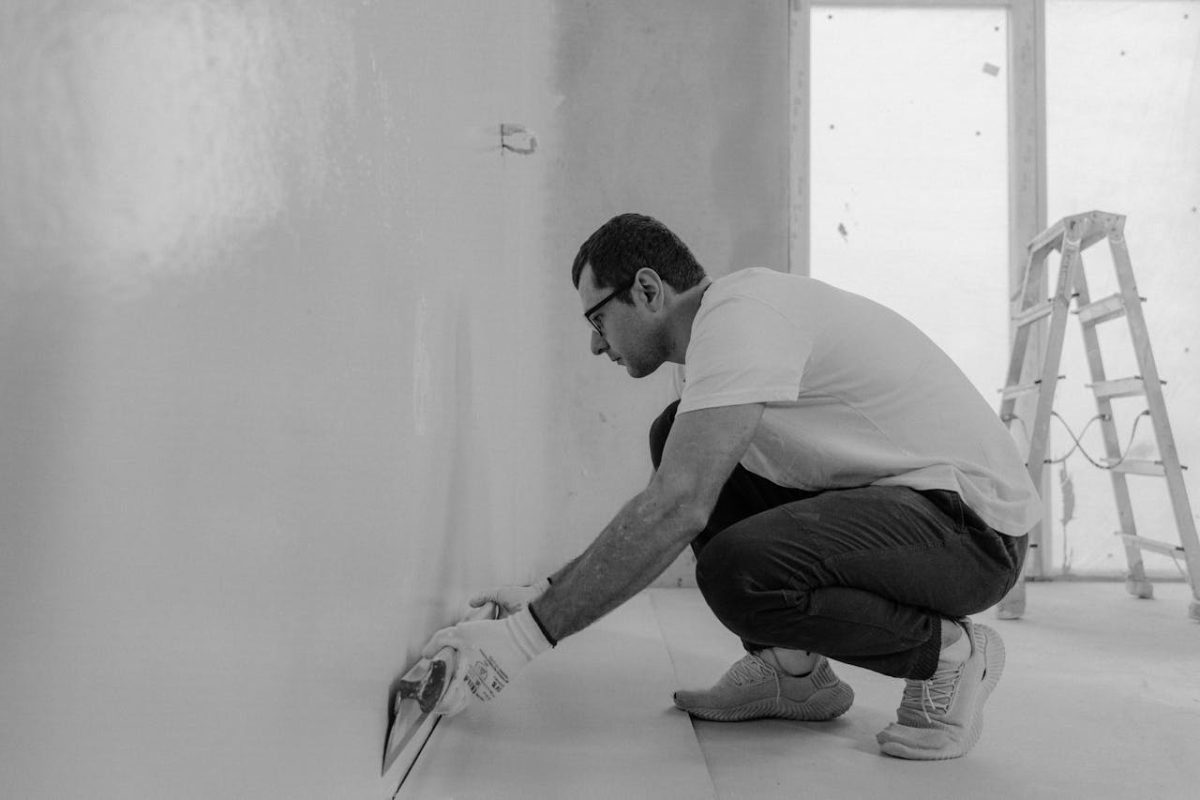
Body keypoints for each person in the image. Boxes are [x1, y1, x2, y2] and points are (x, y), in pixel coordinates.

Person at [420, 212, 1039, 760]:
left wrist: (519, 641)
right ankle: (791, 672)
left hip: (974, 532)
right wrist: (544, 592)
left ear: (646, 289)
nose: (592, 343)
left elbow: (678, 508)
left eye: (597, 317)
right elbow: (679, 491)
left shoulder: (744, 319)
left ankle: (953, 654)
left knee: (738, 570)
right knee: (676, 435)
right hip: (911, 508)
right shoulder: (718, 344)